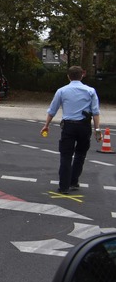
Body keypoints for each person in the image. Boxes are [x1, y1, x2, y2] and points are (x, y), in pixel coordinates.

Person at [41, 66, 102, 194]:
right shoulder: (90, 91)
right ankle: (74, 181)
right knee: (80, 154)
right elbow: (95, 112)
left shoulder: (62, 91)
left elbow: (52, 110)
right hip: (84, 127)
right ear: (82, 75)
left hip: (69, 126)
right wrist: (97, 130)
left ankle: (63, 186)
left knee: (66, 155)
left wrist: (46, 125)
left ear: (68, 76)